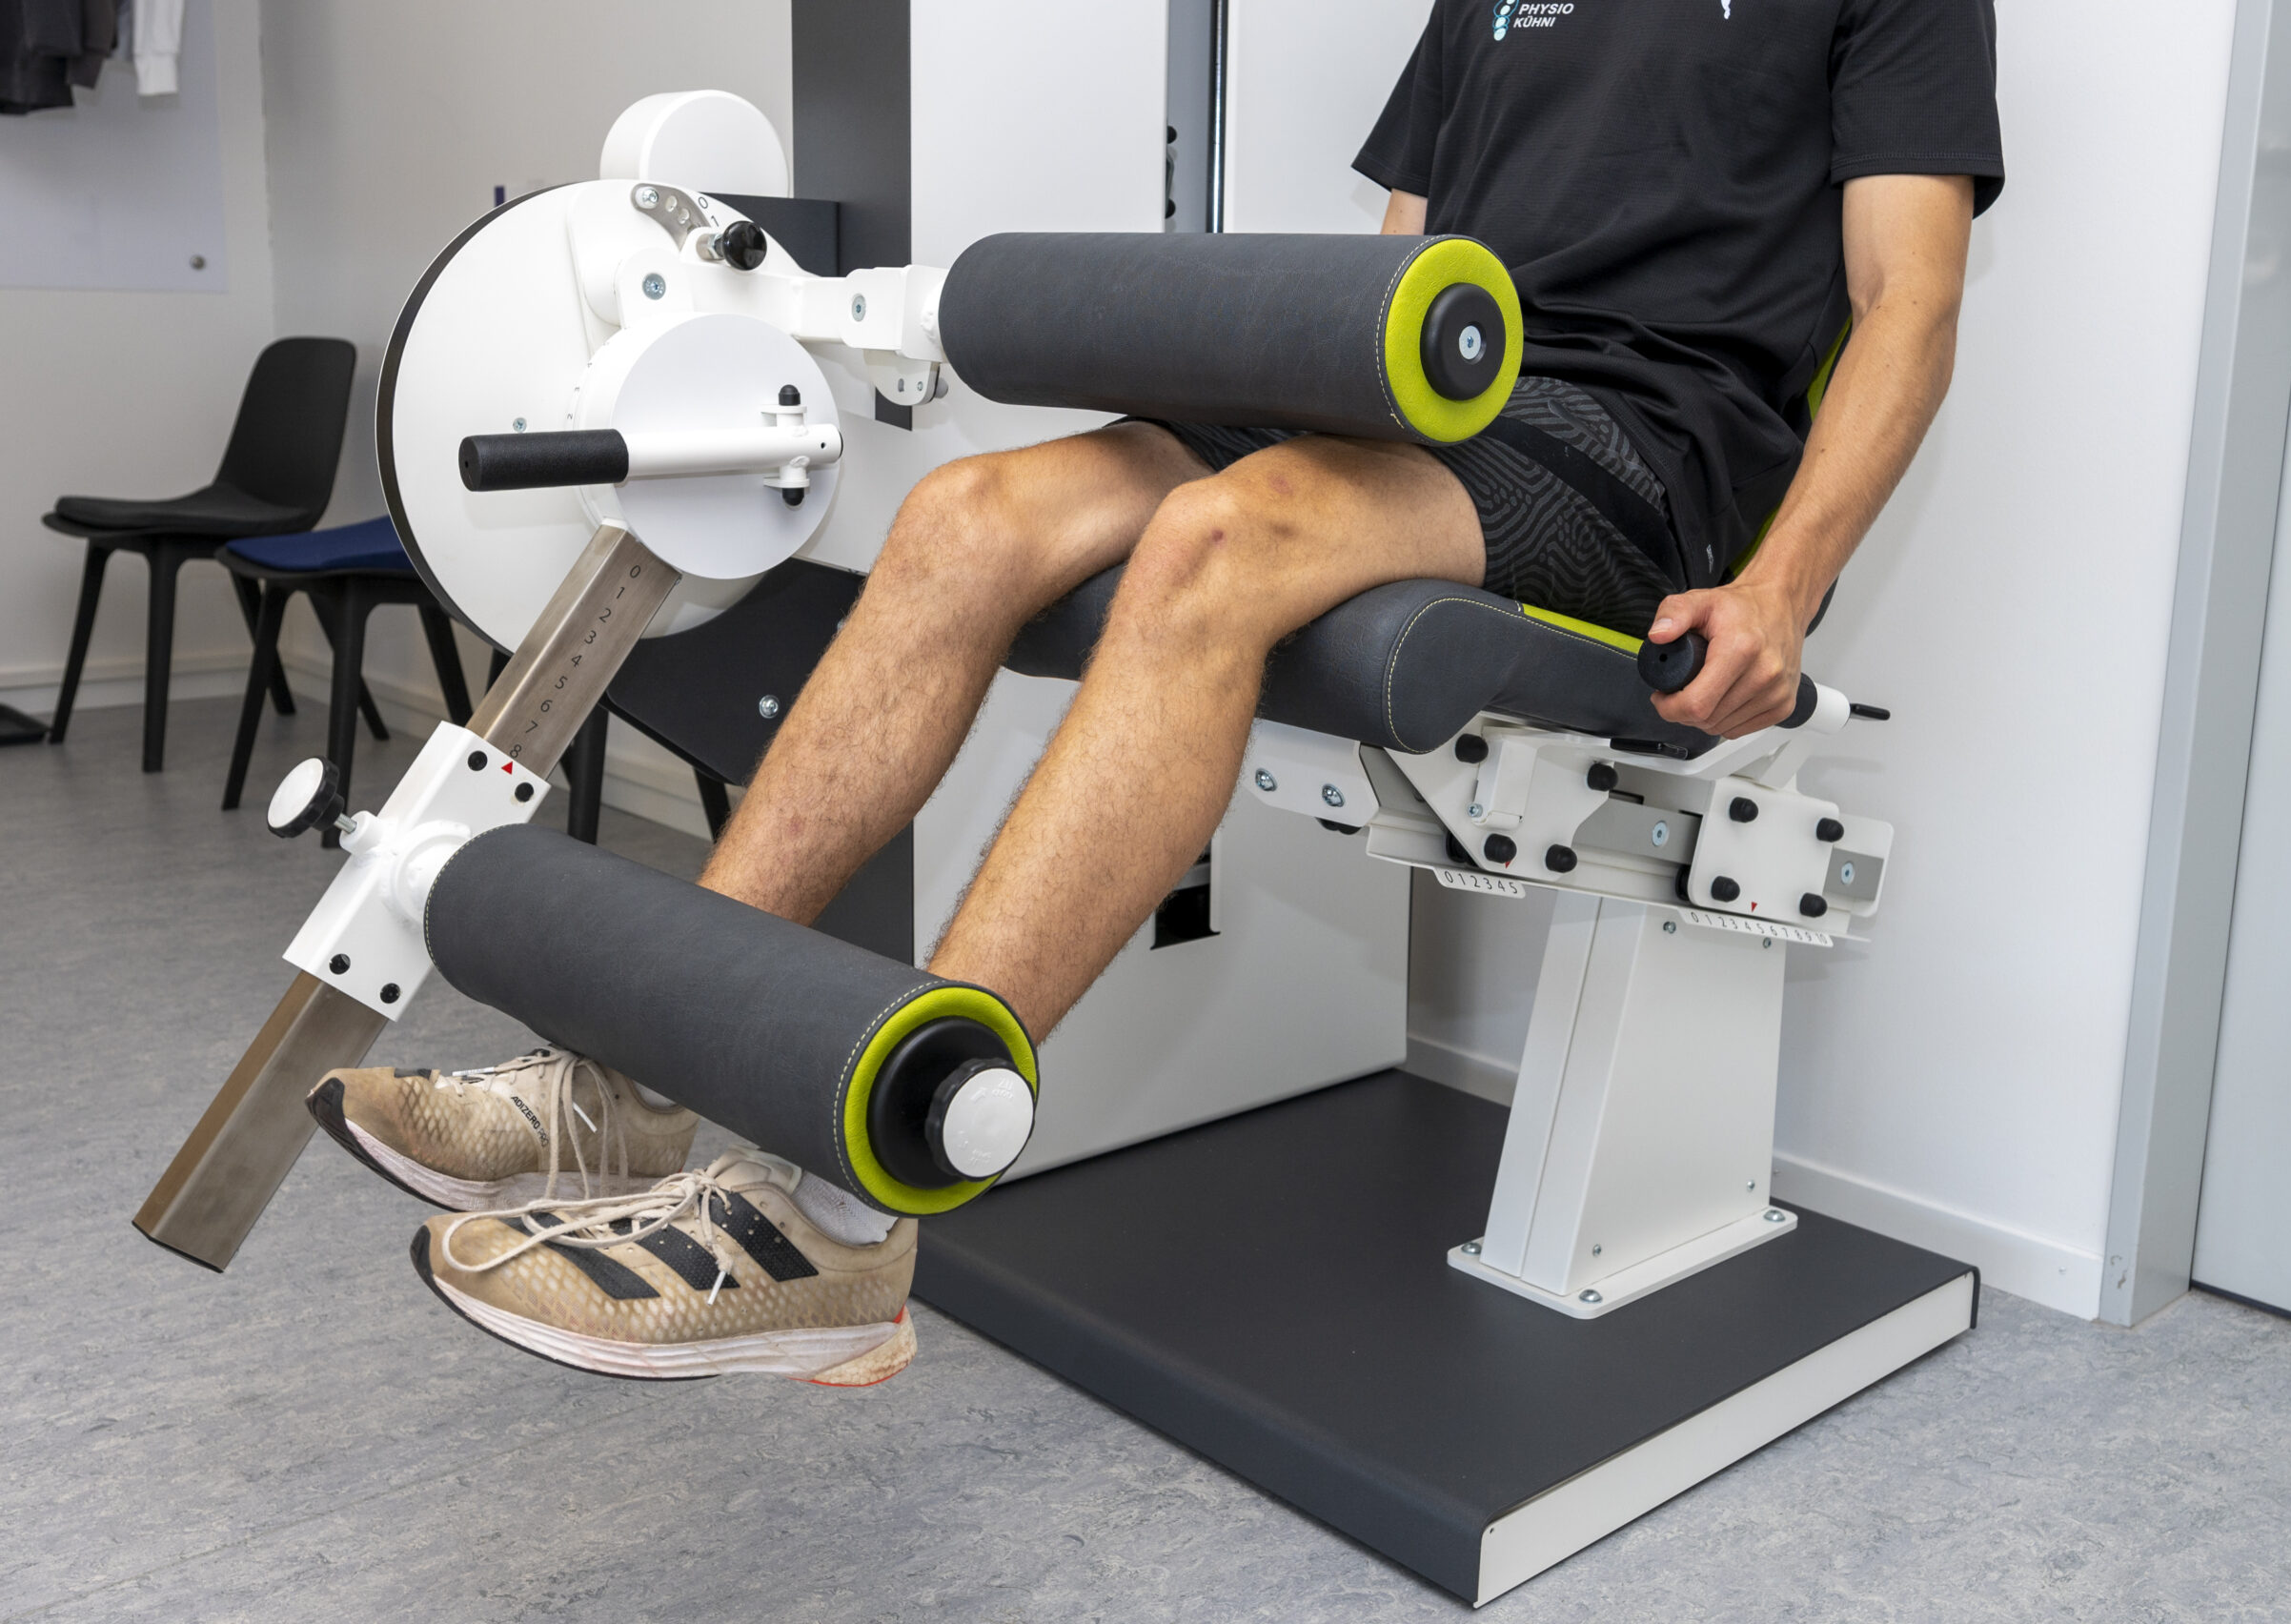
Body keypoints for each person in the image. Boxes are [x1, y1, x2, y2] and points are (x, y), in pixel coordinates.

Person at [318, 0, 2004, 1383]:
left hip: (1639, 441)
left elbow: (1908, 299)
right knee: (964, 516)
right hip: (1443, 392)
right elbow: (1403, 265)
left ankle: (843, 1221)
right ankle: (627, 1082)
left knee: (1218, 541)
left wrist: (1780, 589)